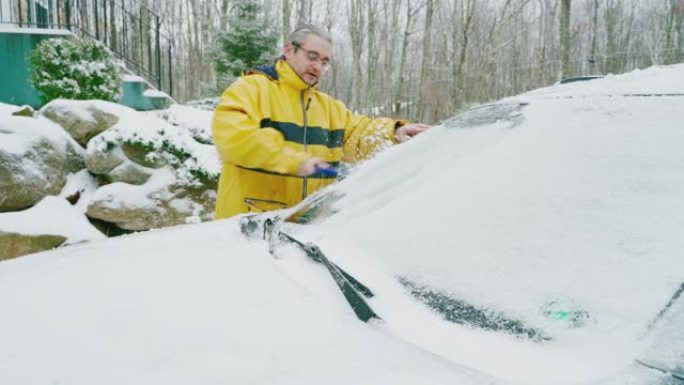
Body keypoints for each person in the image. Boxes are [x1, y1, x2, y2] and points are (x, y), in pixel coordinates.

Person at [212, 24, 428, 219]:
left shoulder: (328, 107)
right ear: (289, 50)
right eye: (312, 57)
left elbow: (359, 134)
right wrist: (293, 161)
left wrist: (394, 132)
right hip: (249, 229)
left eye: (325, 62)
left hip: (301, 239)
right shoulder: (251, 89)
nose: (318, 67)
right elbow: (235, 139)